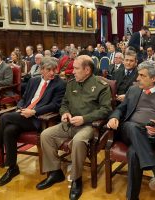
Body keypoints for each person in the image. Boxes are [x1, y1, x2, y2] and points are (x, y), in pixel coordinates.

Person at [0, 57, 66, 186]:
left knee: (5, 117)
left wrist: (34, 112)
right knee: (9, 130)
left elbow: (55, 105)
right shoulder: (34, 80)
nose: (52, 73)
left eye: (54, 70)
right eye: (49, 70)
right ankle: (12, 167)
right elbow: (23, 99)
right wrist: (20, 108)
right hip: (23, 115)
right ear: (41, 70)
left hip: (39, 119)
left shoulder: (60, 84)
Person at [36, 55, 112, 200]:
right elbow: (64, 103)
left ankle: (76, 180)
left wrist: (85, 118)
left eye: (76, 68)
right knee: (46, 135)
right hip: (69, 123)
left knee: (78, 141)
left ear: (87, 70)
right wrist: (64, 113)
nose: (73, 71)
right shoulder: (71, 84)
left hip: (89, 126)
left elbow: (106, 109)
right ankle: (55, 172)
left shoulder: (101, 85)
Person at [107, 60, 155, 200]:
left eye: (142, 75)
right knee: (131, 125)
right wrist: (114, 117)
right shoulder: (133, 89)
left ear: (153, 78)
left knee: (134, 153)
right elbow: (121, 108)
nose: (137, 78)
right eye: (138, 75)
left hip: (152, 135)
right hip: (128, 131)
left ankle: (132, 197)